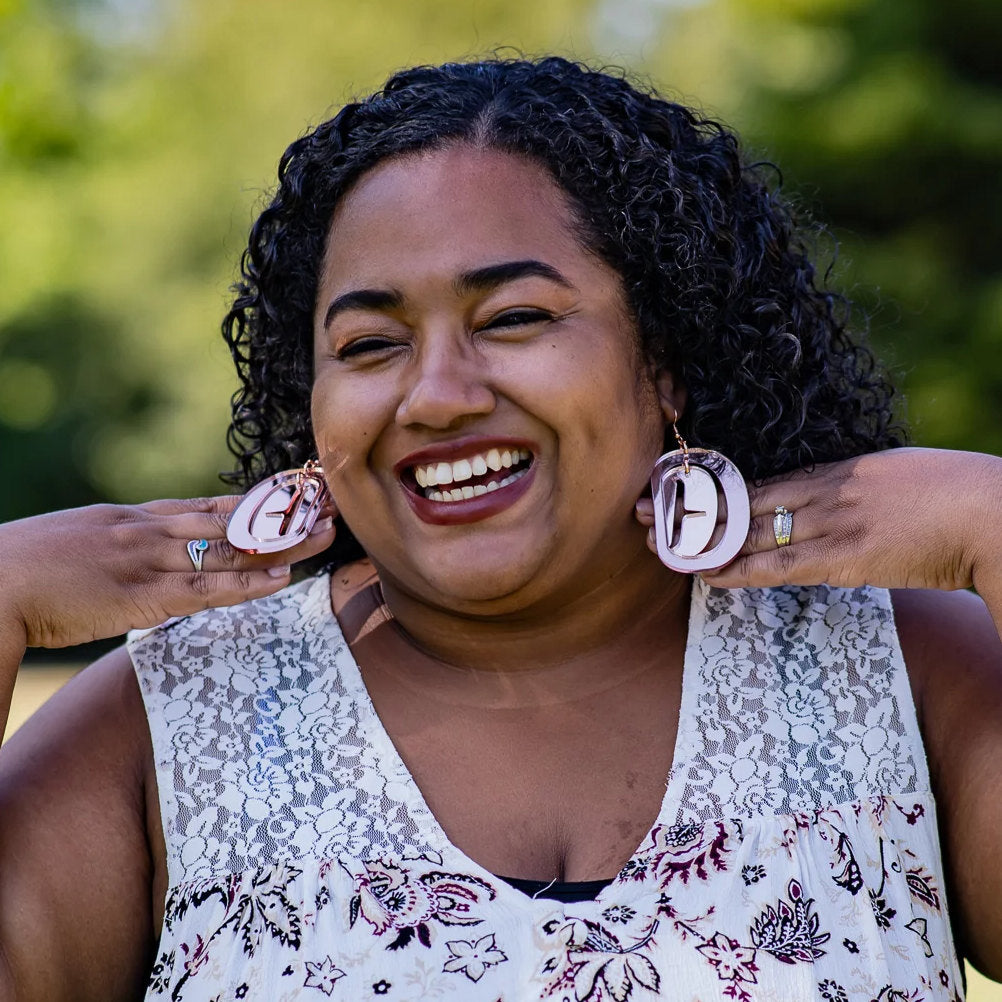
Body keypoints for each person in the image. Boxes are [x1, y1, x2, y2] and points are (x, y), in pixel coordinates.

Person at [1, 55, 1000, 1002]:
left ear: (669, 360)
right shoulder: (165, 727)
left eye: (514, 318)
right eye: (371, 343)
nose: (434, 397)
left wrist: (989, 523)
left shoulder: (895, 672)